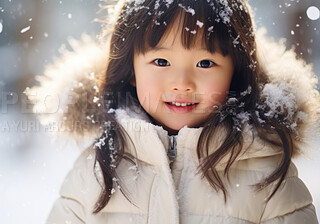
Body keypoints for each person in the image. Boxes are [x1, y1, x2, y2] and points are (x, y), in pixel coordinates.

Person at [26, 0, 320, 223]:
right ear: (131, 71)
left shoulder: (266, 175)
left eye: (205, 63)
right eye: (161, 62)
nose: (182, 84)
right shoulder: (96, 172)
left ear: (236, 73)